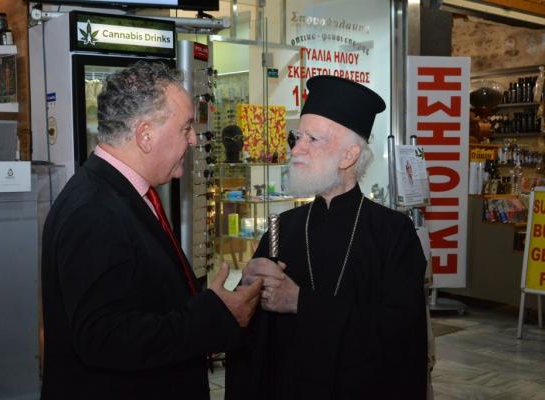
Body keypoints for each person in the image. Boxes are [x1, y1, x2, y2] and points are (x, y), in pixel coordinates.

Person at [40, 61, 262, 400]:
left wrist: (210, 305)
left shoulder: (119, 193)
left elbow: (146, 301)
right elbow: (105, 338)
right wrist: (213, 317)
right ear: (145, 135)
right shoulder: (94, 210)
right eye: (185, 128)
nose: (193, 140)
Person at [226, 76, 428, 399]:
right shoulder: (281, 228)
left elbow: (400, 334)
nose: (296, 149)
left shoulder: (393, 233)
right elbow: (254, 337)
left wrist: (301, 302)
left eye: (312, 139)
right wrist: (248, 289)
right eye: (297, 137)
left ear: (349, 156)